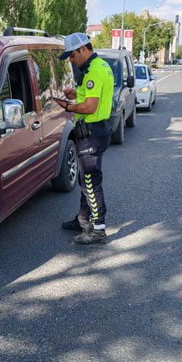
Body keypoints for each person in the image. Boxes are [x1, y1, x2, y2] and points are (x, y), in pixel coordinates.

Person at [56, 32, 114, 245]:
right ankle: (83, 219)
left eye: (72, 55)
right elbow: (90, 96)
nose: (71, 60)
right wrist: (76, 94)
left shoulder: (95, 71)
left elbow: (90, 107)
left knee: (90, 180)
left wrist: (67, 106)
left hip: (92, 132)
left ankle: (98, 230)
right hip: (96, 130)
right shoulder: (99, 66)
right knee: (85, 179)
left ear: (82, 49)